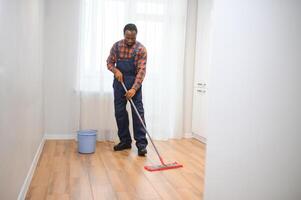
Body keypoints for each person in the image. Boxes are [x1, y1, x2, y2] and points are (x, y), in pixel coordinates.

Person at [107, 23, 148, 156]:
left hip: (134, 82)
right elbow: (109, 62)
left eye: (133, 38)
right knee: (120, 113)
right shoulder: (117, 46)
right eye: (127, 37)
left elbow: (141, 71)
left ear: (136, 35)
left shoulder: (141, 49)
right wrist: (115, 70)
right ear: (124, 34)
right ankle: (125, 141)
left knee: (138, 114)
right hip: (120, 83)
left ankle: (141, 145)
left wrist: (134, 89)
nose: (130, 40)